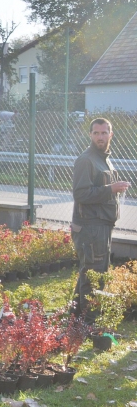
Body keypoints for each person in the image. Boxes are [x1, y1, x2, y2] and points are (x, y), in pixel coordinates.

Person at [71, 118, 130, 322]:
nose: (100, 137)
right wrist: (111, 189)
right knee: (93, 276)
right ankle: (88, 323)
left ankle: (76, 318)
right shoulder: (86, 160)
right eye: (96, 133)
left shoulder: (104, 158)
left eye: (104, 133)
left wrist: (113, 189)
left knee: (91, 272)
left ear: (110, 135)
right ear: (90, 135)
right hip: (90, 227)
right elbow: (81, 194)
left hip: (101, 226)